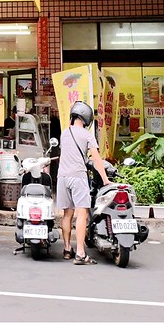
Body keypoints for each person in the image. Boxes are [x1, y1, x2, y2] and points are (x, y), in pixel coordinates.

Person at [57, 100, 109, 265]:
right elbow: (96, 159)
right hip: (78, 177)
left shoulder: (64, 133)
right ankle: (80, 253)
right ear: (86, 119)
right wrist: (106, 179)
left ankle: (66, 249)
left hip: (62, 176)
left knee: (67, 214)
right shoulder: (87, 135)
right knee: (82, 213)